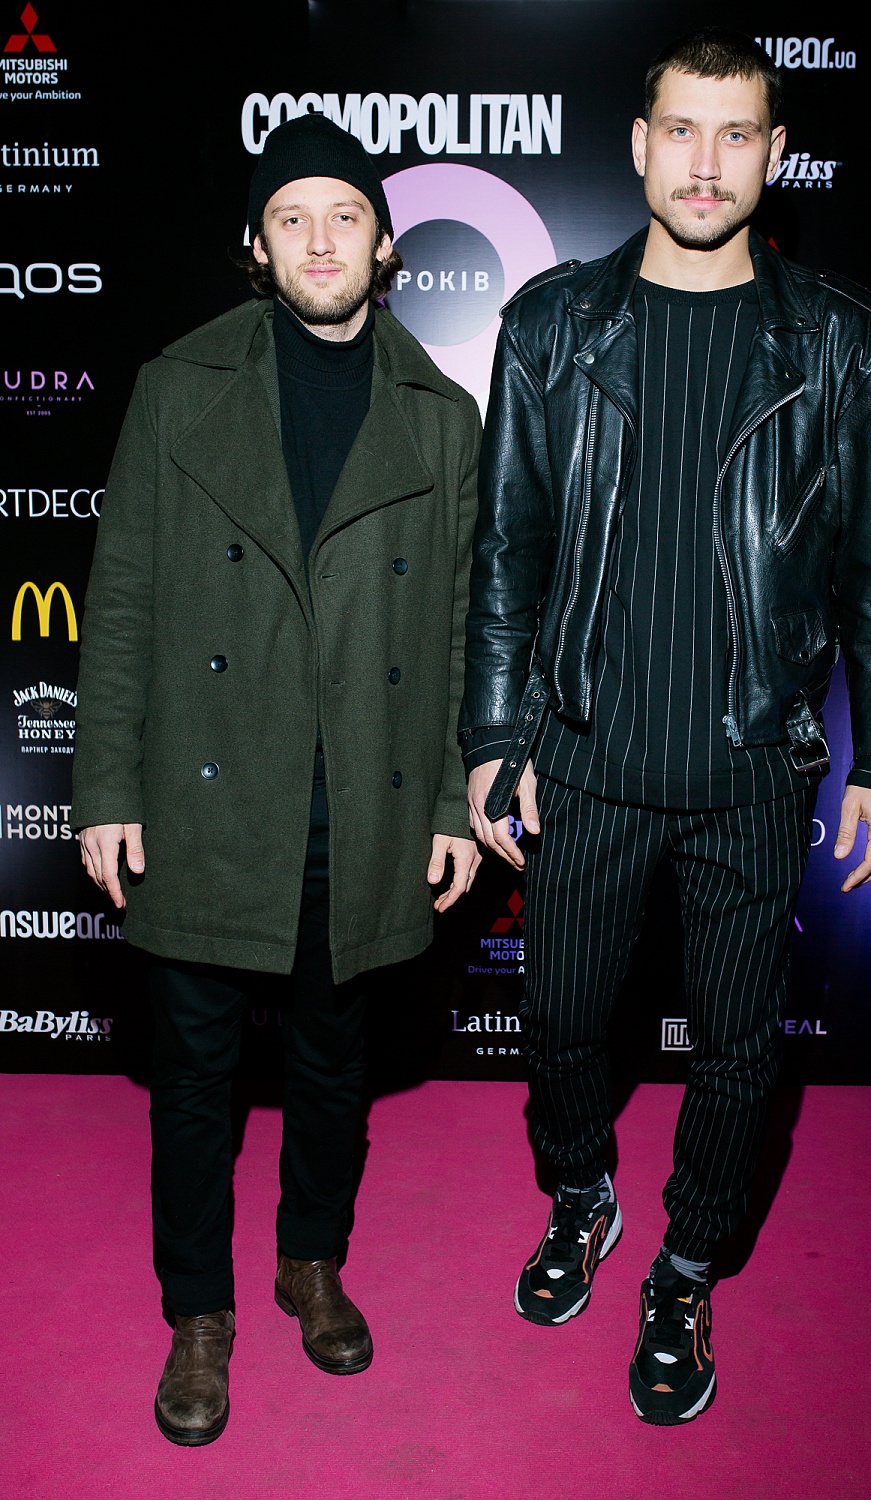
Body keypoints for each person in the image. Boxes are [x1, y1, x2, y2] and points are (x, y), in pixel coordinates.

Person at [462, 27, 871, 1426]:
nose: (706, 163)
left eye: (736, 135)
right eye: (682, 130)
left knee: (737, 1051)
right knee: (557, 1022)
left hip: (751, 766)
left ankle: (685, 1266)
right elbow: (505, 552)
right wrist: (492, 736)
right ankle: (581, 1194)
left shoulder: (843, 343)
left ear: (774, 156)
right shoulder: (552, 326)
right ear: (640, 144)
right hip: (583, 754)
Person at [72, 113, 481, 1446]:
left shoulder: (443, 415)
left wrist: (445, 802)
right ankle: (199, 1310)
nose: (319, 239)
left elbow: (459, 625)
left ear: (386, 245)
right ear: (256, 246)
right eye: (291, 217)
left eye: (344, 215)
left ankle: (311, 1259)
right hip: (208, 791)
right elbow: (122, 596)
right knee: (193, 1071)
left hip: (360, 796)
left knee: (333, 1055)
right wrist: (106, 786)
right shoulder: (177, 386)